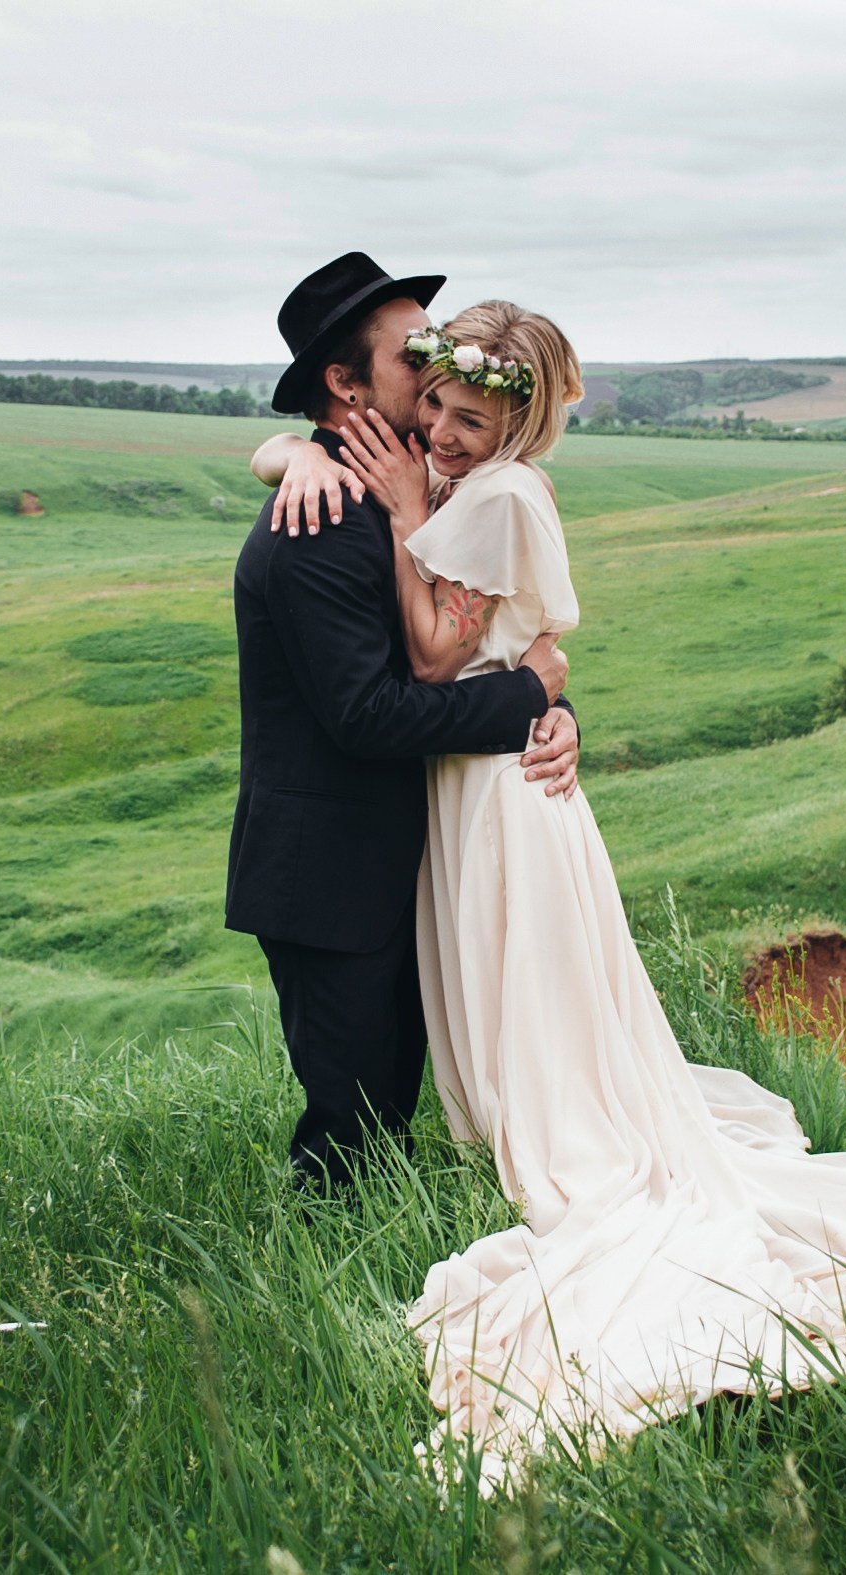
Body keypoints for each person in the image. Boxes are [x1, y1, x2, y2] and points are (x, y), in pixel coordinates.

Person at [254, 298, 846, 1488]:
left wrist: (531, 683)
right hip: (440, 789)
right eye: (426, 388)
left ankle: (540, 1145)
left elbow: (450, 653)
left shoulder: (482, 491)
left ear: (511, 421)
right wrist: (297, 456)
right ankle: (454, 1157)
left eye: (463, 412)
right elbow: (444, 655)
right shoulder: (382, 479)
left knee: (528, 982)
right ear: (358, 388)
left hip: (491, 791)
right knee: (483, 1001)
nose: (439, 425)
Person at [227, 251, 582, 1190]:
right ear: (346, 385)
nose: (432, 375)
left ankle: (394, 1241)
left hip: (404, 862)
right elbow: (369, 713)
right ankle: (321, 1267)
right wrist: (529, 699)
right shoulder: (316, 518)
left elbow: (491, 635)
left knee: (392, 1118)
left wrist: (555, 709)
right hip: (327, 875)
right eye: (410, 355)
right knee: (346, 1139)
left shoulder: (415, 484)